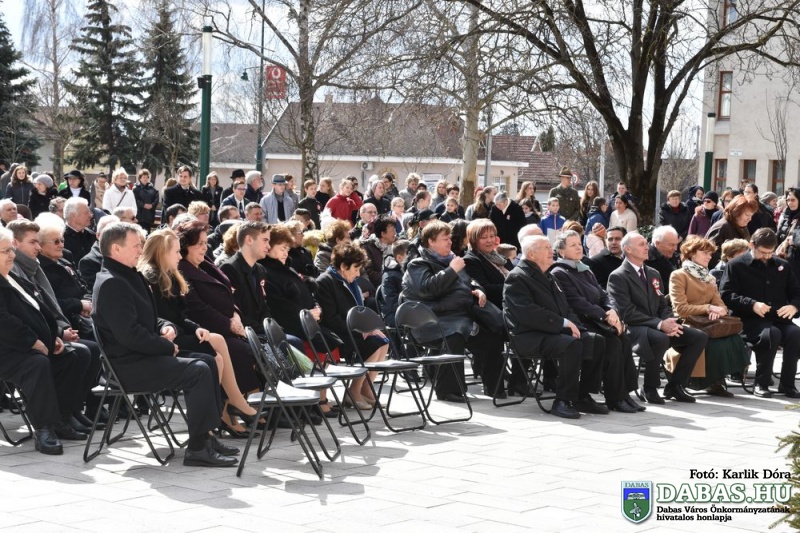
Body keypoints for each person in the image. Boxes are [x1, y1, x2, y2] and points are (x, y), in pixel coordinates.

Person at [92, 222, 238, 466]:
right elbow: (130, 335)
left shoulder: (128, 275)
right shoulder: (112, 282)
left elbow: (147, 318)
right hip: (127, 367)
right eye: (136, 245)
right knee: (198, 370)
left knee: (208, 361)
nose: (141, 250)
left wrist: (163, 326)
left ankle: (205, 437)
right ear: (116, 249)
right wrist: (167, 347)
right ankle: (197, 449)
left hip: (140, 357)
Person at [138, 229, 258, 436]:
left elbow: (181, 316)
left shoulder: (170, 274)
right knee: (218, 347)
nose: (180, 256)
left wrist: (196, 328)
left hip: (177, 332)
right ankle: (226, 407)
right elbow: (162, 319)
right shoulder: (152, 278)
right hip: (165, 339)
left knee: (217, 355)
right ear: (162, 252)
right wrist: (190, 328)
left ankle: (216, 417)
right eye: (176, 252)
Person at [0, 227, 90, 454]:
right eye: (4, 251)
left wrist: (54, 336)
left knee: (74, 355)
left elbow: (39, 310)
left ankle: (63, 417)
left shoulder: (11, 278)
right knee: (37, 364)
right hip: (8, 350)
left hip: (27, 345)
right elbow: (4, 322)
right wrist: (33, 341)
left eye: (11, 249)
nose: (11, 255)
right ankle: (44, 429)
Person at [503, 235, 607, 418]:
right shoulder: (518, 277)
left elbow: (566, 308)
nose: (551, 251)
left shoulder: (549, 276)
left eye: (550, 247)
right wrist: (563, 323)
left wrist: (577, 327)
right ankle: (562, 401)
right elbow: (527, 313)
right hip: (527, 335)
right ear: (531, 254)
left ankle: (582, 395)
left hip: (551, 332)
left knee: (595, 340)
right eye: (545, 247)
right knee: (570, 344)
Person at [401, 221, 505, 400]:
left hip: (459, 317)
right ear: (431, 241)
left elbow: (469, 281)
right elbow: (427, 288)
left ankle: (494, 388)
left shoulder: (452, 260)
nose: (450, 242)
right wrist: (452, 270)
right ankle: (448, 390)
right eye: (445, 239)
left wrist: (477, 289)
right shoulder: (418, 264)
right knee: (454, 335)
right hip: (430, 320)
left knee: (490, 335)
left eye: (450, 238)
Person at [607, 233, 707, 404]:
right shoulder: (618, 276)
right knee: (660, 338)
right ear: (628, 249)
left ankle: (675, 385)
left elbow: (662, 305)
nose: (646, 247)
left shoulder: (653, 273)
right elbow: (626, 312)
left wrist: (669, 321)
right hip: (634, 327)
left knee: (698, 337)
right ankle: (649, 387)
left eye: (646, 243)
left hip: (656, 325)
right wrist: (660, 324)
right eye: (641, 244)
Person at [550, 230, 642, 413]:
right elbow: (576, 302)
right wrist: (604, 315)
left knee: (624, 339)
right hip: (582, 322)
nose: (579, 248)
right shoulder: (559, 272)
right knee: (612, 343)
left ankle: (624, 393)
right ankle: (613, 397)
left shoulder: (584, 269)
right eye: (573, 245)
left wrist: (612, 311)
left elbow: (603, 294)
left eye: (579, 244)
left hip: (598, 319)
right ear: (561, 251)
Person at [175, 220, 261, 405]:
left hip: (230, 324)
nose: (204, 247)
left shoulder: (205, 263)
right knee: (242, 351)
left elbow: (228, 292)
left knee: (260, 346)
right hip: (209, 329)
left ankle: (255, 404)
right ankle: (236, 407)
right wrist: (228, 324)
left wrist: (235, 314)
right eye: (199, 243)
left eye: (206, 242)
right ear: (185, 245)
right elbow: (196, 308)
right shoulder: (181, 269)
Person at [720, 228, 800, 398]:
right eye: (763, 252)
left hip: (778, 319)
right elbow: (726, 295)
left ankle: (787, 384)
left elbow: (796, 292)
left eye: (770, 252)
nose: (767, 256)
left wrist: (794, 306)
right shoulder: (736, 265)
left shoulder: (782, 265)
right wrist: (752, 304)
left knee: (795, 334)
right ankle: (761, 383)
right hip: (749, 320)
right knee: (771, 334)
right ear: (752, 245)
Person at [669, 236, 750, 397]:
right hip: (688, 322)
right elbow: (680, 308)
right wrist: (708, 308)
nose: (709, 256)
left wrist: (719, 311)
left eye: (710, 253)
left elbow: (721, 306)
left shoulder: (709, 278)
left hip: (710, 322)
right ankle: (705, 382)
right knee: (711, 342)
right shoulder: (678, 275)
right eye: (705, 253)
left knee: (732, 338)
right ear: (692, 254)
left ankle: (717, 381)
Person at [317, 243, 388, 409]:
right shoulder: (325, 282)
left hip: (351, 331)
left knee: (383, 340)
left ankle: (366, 388)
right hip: (337, 334)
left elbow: (358, 312)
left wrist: (368, 328)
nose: (358, 274)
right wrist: (360, 330)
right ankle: (354, 391)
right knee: (373, 344)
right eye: (355, 269)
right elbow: (330, 319)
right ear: (343, 266)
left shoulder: (350, 283)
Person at [462, 219, 527, 395]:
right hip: (488, 314)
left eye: (492, 236)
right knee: (507, 334)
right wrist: (513, 287)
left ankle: (519, 381)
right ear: (474, 239)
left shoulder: (501, 259)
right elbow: (484, 288)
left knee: (536, 327)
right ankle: (502, 385)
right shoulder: (471, 260)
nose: (490, 240)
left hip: (512, 309)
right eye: (484, 237)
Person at [705, 193, 759, 267]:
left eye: (751, 215)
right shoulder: (722, 227)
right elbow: (711, 255)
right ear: (736, 212)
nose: (750, 219)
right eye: (747, 215)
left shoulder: (743, 228)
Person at [379, 239, 409, 327]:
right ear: (399, 258)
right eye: (409, 255)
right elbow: (393, 303)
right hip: (394, 314)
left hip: (410, 308)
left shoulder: (410, 270)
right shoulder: (389, 276)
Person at [360, 216, 396, 288]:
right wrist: (391, 279)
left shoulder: (398, 244)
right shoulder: (368, 248)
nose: (395, 233)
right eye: (392, 230)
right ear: (383, 234)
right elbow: (369, 273)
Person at [645, 225, 680, 290]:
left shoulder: (674, 256)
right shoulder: (646, 260)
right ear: (657, 243)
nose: (675, 248)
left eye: (676, 245)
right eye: (671, 245)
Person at [63, 197, 95, 262]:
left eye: (89, 212)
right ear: (73, 215)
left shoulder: (91, 235)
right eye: (86, 213)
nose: (90, 215)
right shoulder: (61, 238)